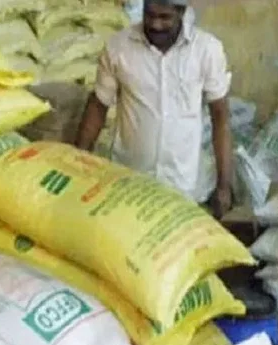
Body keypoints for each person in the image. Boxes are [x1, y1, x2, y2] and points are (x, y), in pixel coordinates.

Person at [74, 0, 234, 218]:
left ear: (181, 12)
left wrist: (224, 185)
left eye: (165, 17)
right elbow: (98, 106)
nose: (155, 24)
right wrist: (77, 161)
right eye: (149, 15)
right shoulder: (119, 47)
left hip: (182, 187)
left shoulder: (206, 50)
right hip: (129, 183)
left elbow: (221, 118)